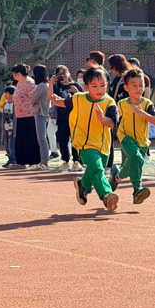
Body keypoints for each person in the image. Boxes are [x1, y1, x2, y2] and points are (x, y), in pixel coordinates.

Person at [49, 65, 119, 212]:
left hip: (103, 145)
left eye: (102, 85)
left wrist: (102, 119)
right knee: (97, 169)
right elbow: (59, 102)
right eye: (94, 86)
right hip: (84, 143)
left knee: (94, 170)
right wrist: (53, 94)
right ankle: (106, 195)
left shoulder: (110, 103)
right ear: (86, 87)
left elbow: (112, 123)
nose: (99, 89)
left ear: (107, 84)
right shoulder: (78, 98)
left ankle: (83, 185)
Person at [113, 67, 155, 205]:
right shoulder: (122, 104)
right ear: (126, 88)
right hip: (126, 137)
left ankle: (117, 177)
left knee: (134, 162)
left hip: (142, 141)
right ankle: (137, 190)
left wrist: (142, 114)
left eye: (141, 85)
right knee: (136, 158)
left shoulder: (147, 104)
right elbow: (114, 119)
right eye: (134, 85)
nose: (138, 89)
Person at [50, 66, 82, 172]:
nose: (62, 76)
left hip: (75, 117)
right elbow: (50, 96)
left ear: (68, 73)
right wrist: (51, 83)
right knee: (62, 140)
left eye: (63, 73)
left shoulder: (75, 85)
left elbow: (83, 99)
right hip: (62, 118)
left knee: (75, 140)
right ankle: (65, 161)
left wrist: (76, 91)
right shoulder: (56, 86)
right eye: (59, 74)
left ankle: (76, 160)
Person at [10, 63, 41, 169]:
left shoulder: (30, 83)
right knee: (20, 139)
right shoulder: (19, 83)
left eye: (14, 73)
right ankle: (21, 161)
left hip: (29, 115)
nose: (13, 76)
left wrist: (26, 105)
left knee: (30, 138)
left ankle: (33, 161)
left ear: (18, 73)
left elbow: (35, 98)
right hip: (20, 115)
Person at [30, 65, 53, 170]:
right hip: (45, 112)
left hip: (40, 112)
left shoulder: (41, 86)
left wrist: (35, 101)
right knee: (42, 137)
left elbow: (32, 99)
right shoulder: (47, 85)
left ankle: (44, 161)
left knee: (41, 138)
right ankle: (43, 160)